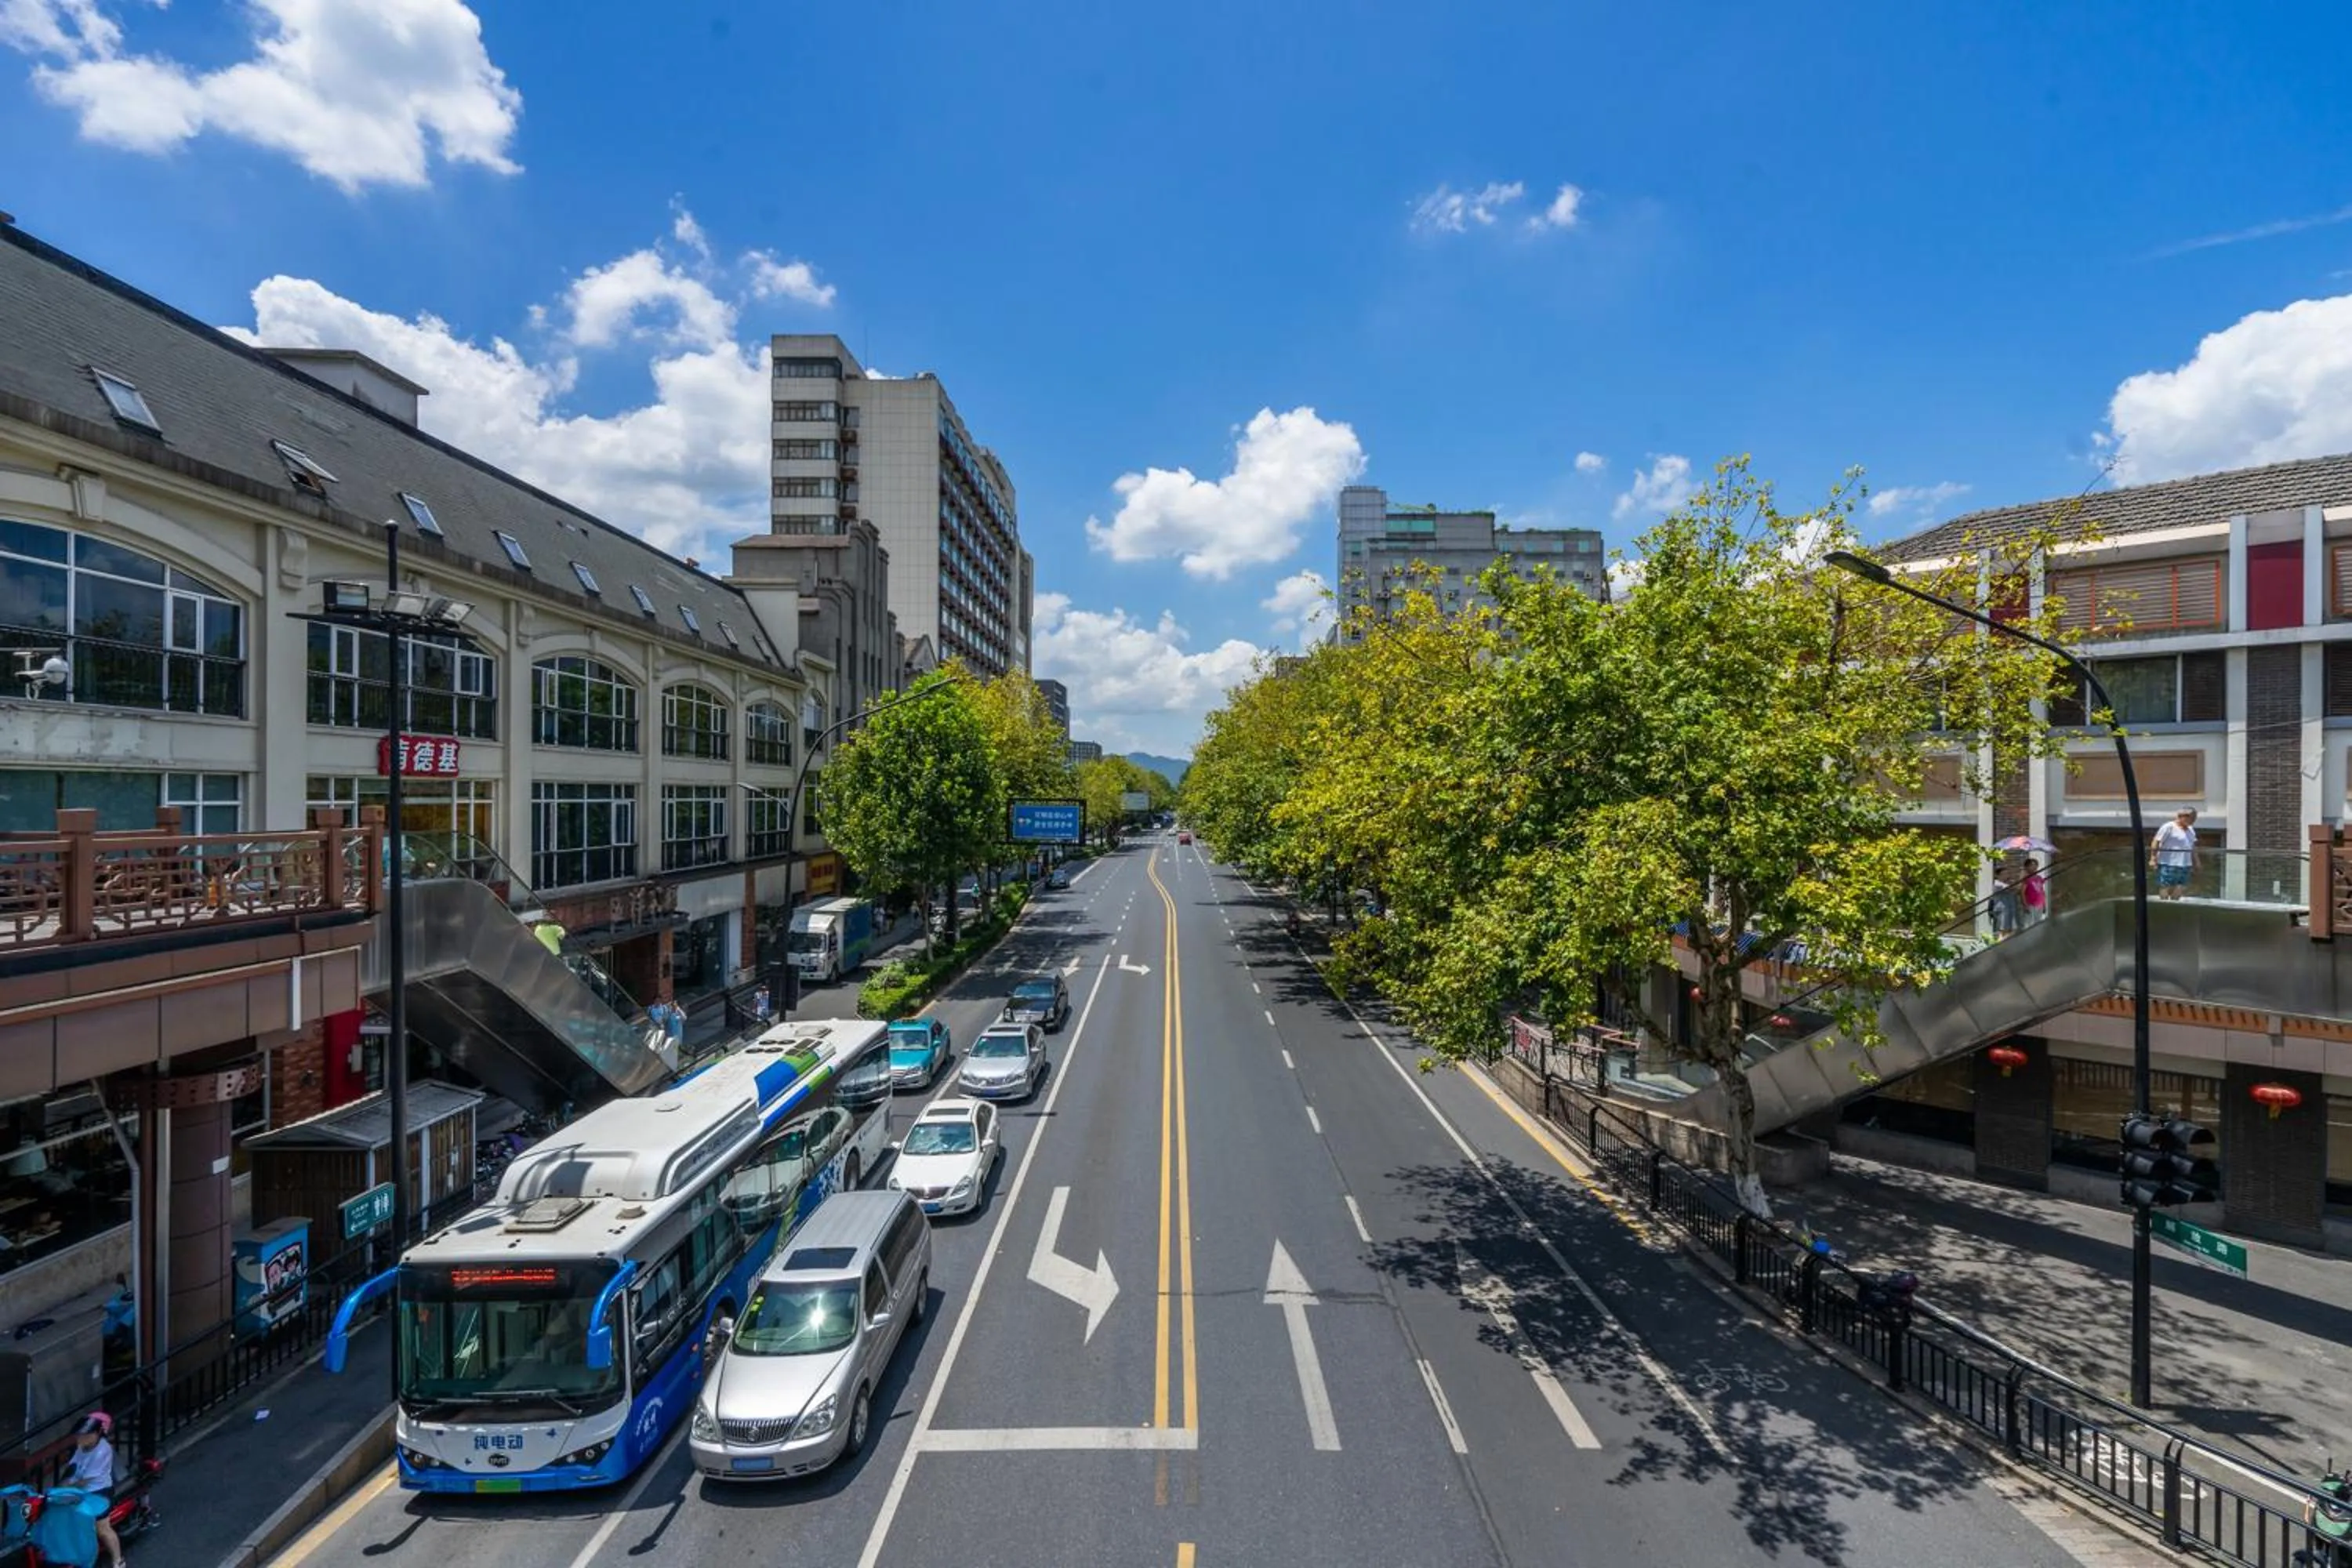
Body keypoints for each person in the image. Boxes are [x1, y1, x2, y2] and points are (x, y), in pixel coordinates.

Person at [65, 1411, 121, 1568]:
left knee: (102, 1529)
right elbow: (73, 1466)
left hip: (99, 1492)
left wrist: (66, 1487)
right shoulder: (82, 1447)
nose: (80, 1438)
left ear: (97, 1433)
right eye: (79, 1435)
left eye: (84, 1435)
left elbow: (85, 1481)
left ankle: (118, 1561)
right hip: (81, 1491)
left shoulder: (103, 1451)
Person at [2151, 808, 2198, 900]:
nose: (2193, 821)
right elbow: (2156, 841)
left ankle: (2174, 903)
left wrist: (2196, 862)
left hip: (2185, 864)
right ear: (2182, 817)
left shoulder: (2191, 830)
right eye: (2192, 818)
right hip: (2168, 863)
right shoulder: (2169, 827)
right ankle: (2164, 905)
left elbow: (2192, 847)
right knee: (2165, 886)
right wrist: (2153, 858)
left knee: (2180, 887)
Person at [2019, 856, 2049, 924]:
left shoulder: (2039, 878)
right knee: (2030, 924)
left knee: (2038, 924)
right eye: (2032, 865)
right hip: (2031, 905)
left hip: (2040, 904)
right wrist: (2025, 905)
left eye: (2035, 865)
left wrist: (2044, 904)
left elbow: (2042, 891)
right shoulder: (2026, 879)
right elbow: (2022, 892)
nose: (2034, 867)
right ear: (2027, 867)